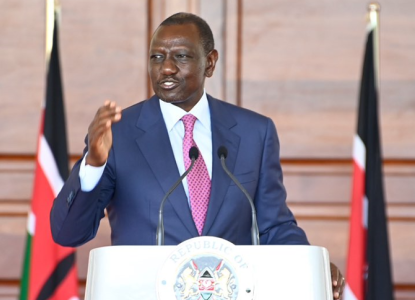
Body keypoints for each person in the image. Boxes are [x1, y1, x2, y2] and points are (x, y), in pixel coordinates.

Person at [50, 12, 345, 298]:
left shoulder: (255, 132)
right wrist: (93, 165)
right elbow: (67, 233)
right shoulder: (119, 133)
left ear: (210, 63)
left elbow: (273, 226)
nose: (166, 68)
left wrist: (313, 268)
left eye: (180, 56)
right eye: (156, 57)